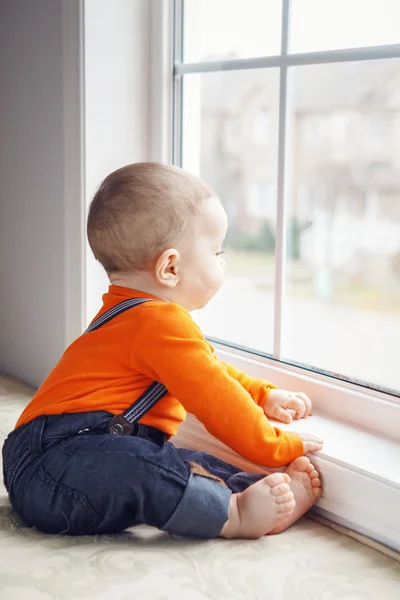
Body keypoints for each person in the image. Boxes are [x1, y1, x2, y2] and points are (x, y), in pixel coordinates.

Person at [2, 163, 323, 540]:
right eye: (217, 251)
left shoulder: (137, 316)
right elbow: (219, 403)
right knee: (141, 465)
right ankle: (232, 515)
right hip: (52, 464)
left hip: (63, 455)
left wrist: (263, 395)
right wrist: (278, 447)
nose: (222, 262)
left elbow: (209, 371)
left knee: (184, 462)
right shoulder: (158, 323)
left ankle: (254, 491)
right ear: (170, 267)